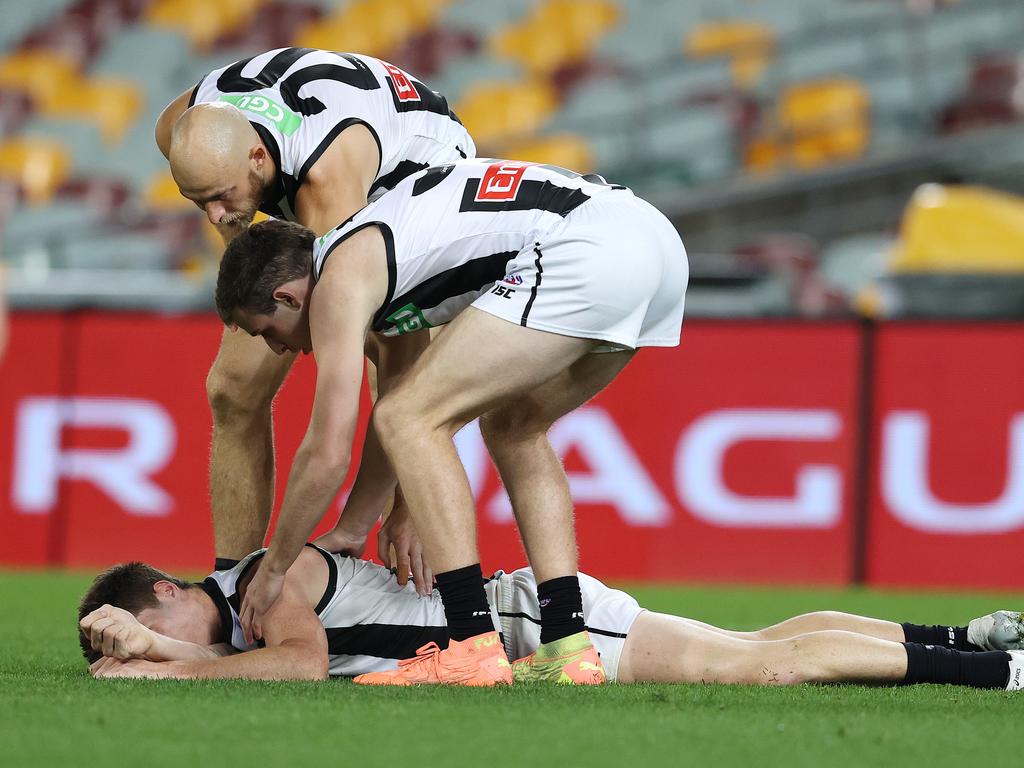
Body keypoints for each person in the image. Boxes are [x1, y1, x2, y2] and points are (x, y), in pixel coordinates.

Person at [214, 158, 689, 685]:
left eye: (266, 331)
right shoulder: (376, 264)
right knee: (513, 428)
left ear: (288, 296)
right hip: (653, 242)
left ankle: (471, 643)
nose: (279, 347)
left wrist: (275, 567)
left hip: (587, 248)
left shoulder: (337, 280)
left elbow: (329, 451)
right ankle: (567, 645)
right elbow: (395, 398)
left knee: (411, 418)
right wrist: (354, 527)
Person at [155, 47, 475, 585]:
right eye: (197, 200)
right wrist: (231, 213)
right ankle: (233, 593)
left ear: (257, 158)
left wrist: (405, 498)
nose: (216, 216)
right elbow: (234, 220)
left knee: (397, 383)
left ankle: (425, 579)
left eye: (221, 197)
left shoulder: (326, 180)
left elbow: (398, 350)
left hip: (418, 182)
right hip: (332, 142)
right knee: (233, 388)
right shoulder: (182, 132)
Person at [78, 545, 1024, 691]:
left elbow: (295, 665)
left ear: (164, 593)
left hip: (531, 626)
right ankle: (971, 639)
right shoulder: (247, 595)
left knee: (753, 667)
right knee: (762, 641)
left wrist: (163, 661)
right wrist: (165, 651)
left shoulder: (261, 579)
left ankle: (1000, 676)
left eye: (136, 619)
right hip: (524, 611)